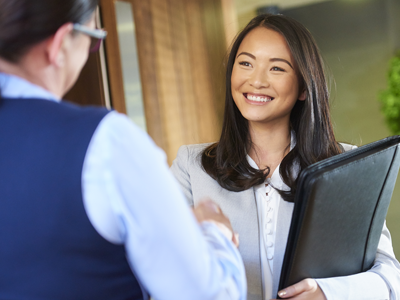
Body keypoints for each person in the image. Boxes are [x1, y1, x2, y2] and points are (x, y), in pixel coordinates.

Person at [0, 0, 247, 299]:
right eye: (93, 41)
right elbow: (211, 294)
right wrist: (214, 232)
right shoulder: (104, 142)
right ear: (60, 43)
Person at [171, 13, 400, 300]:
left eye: (277, 69)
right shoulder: (191, 167)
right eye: (245, 63)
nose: (256, 81)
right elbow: (161, 267)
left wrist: (327, 294)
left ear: (304, 87)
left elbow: (389, 278)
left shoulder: (347, 165)